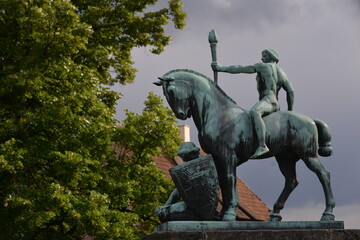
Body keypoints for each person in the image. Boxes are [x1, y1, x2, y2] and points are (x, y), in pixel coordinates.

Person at [212, 49, 294, 158]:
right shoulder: (281, 72)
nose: (262, 58)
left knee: (255, 112)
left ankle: (262, 145)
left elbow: (240, 69)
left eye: (264, 55)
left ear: (271, 57)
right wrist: (290, 110)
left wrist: (221, 68)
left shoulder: (263, 66)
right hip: (275, 102)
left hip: (268, 99)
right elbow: (290, 92)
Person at [155, 142, 206, 222]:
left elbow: (179, 190)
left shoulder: (205, 165)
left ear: (192, 153)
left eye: (184, 156)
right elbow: (179, 189)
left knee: (166, 214)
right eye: (182, 157)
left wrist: (166, 206)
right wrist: (166, 206)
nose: (183, 159)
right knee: (163, 213)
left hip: (202, 206)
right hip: (195, 206)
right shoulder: (191, 168)